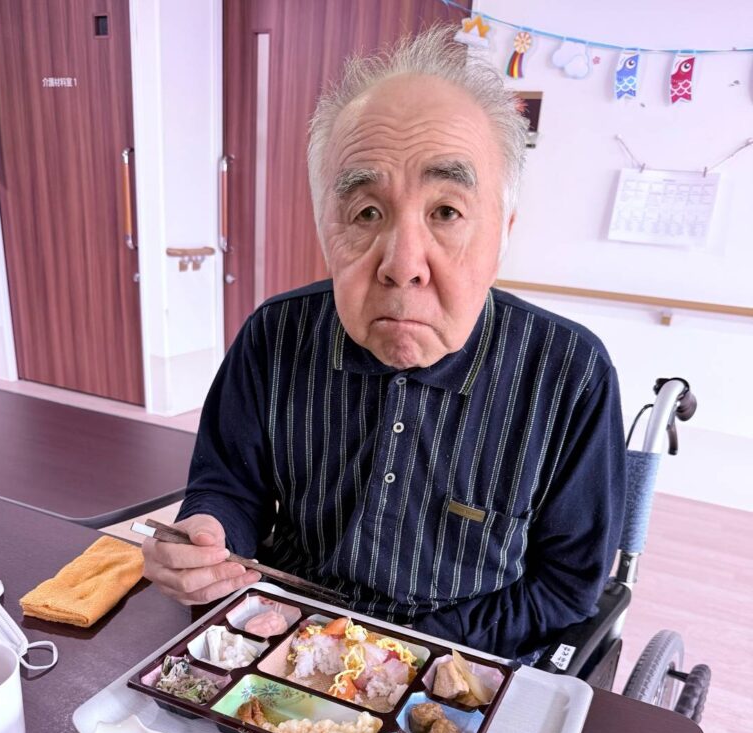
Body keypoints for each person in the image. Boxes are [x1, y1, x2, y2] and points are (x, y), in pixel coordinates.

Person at [143, 25, 625, 661]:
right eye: (366, 212)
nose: (402, 265)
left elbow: (566, 587)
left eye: (446, 212)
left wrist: (396, 652)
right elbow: (229, 487)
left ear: (503, 232)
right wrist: (207, 535)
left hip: (460, 666)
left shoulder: (570, 373)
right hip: (286, 640)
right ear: (326, 230)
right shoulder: (275, 335)